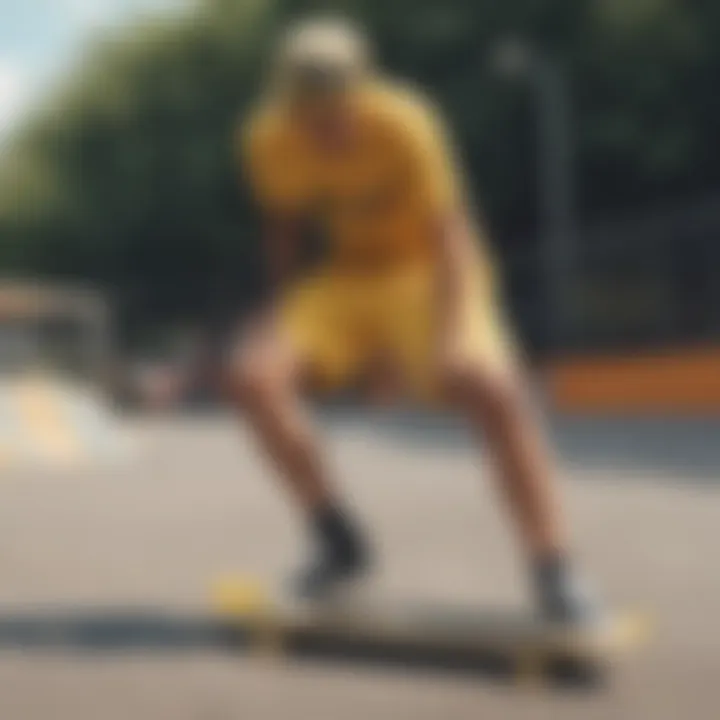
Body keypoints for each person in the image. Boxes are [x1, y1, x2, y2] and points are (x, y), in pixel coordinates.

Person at [230, 16, 598, 623]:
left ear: (363, 91)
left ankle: (553, 566)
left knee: (493, 387)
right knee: (250, 375)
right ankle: (338, 541)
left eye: (338, 116)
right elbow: (284, 231)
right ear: (287, 106)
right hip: (348, 279)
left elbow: (452, 235)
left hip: (429, 270)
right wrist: (282, 318)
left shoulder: (405, 122)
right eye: (310, 121)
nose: (325, 133)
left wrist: (451, 340)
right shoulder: (266, 139)